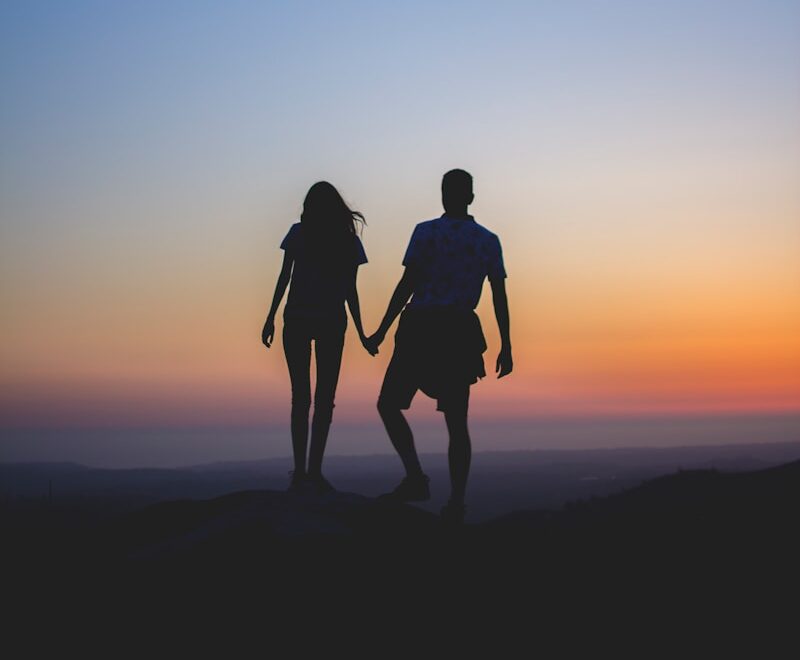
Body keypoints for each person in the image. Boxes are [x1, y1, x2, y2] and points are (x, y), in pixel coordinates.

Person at [366, 169, 512, 525]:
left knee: (389, 404)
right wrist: (506, 345)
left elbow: (407, 284)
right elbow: (498, 296)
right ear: (471, 197)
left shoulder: (426, 232)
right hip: (457, 330)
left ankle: (417, 478)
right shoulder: (487, 240)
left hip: (421, 326)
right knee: (456, 422)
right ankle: (456, 502)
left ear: (445, 195)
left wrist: (382, 330)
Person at [262, 181, 375, 493]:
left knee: (302, 398)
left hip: (297, 318)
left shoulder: (299, 233)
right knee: (324, 400)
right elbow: (350, 291)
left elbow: (284, 277)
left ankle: (302, 472)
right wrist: (363, 333)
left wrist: (271, 316)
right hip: (330, 322)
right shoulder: (347, 242)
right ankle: (312, 471)